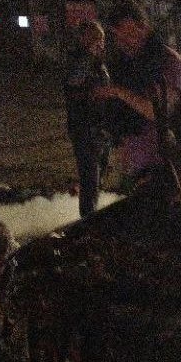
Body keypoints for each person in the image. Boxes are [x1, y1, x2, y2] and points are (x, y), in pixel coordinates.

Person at [94, 0, 181, 198]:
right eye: (118, 38)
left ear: (143, 27)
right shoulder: (128, 64)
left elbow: (158, 112)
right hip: (133, 165)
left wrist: (118, 92)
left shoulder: (169, 62)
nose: (123, 43)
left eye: (129, 35)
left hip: (162, 167)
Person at [63, 19, 112, 217]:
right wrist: (90, 56)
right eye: (95, 38)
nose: (100, 43)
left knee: (98, 178)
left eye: (102, 39)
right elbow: (73, 81)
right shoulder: (75, 60)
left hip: (100, 128)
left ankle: (93, 214)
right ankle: (88, 221)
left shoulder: (99, 63)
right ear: (83, 39)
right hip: (83, 129)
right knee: (90, 179)